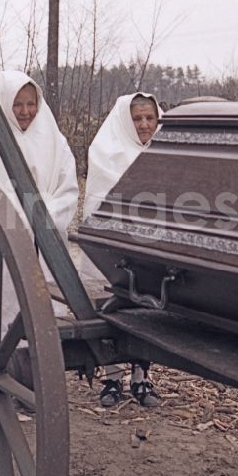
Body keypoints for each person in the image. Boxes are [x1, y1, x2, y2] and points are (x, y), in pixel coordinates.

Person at [0, 70, 78, 334]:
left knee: (45, 307)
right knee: (7, 303)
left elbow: (68, 188)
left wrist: (44, 212)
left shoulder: (53, 140)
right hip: (0, 242)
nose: (25, 111)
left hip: (46, 237)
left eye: (30, 103)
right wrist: (24, 214)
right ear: (2, 103)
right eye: (17, 104)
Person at [82, 92, 163, 409]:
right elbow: (105, 198)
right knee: (113, 306)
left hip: (152, 246)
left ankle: (142, 378)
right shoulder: (107, 151)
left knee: (148, 309)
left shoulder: (165, 150)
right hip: (117, 247)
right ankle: (112, 377)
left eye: (149, 118)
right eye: (137, 118)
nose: (144, 125)